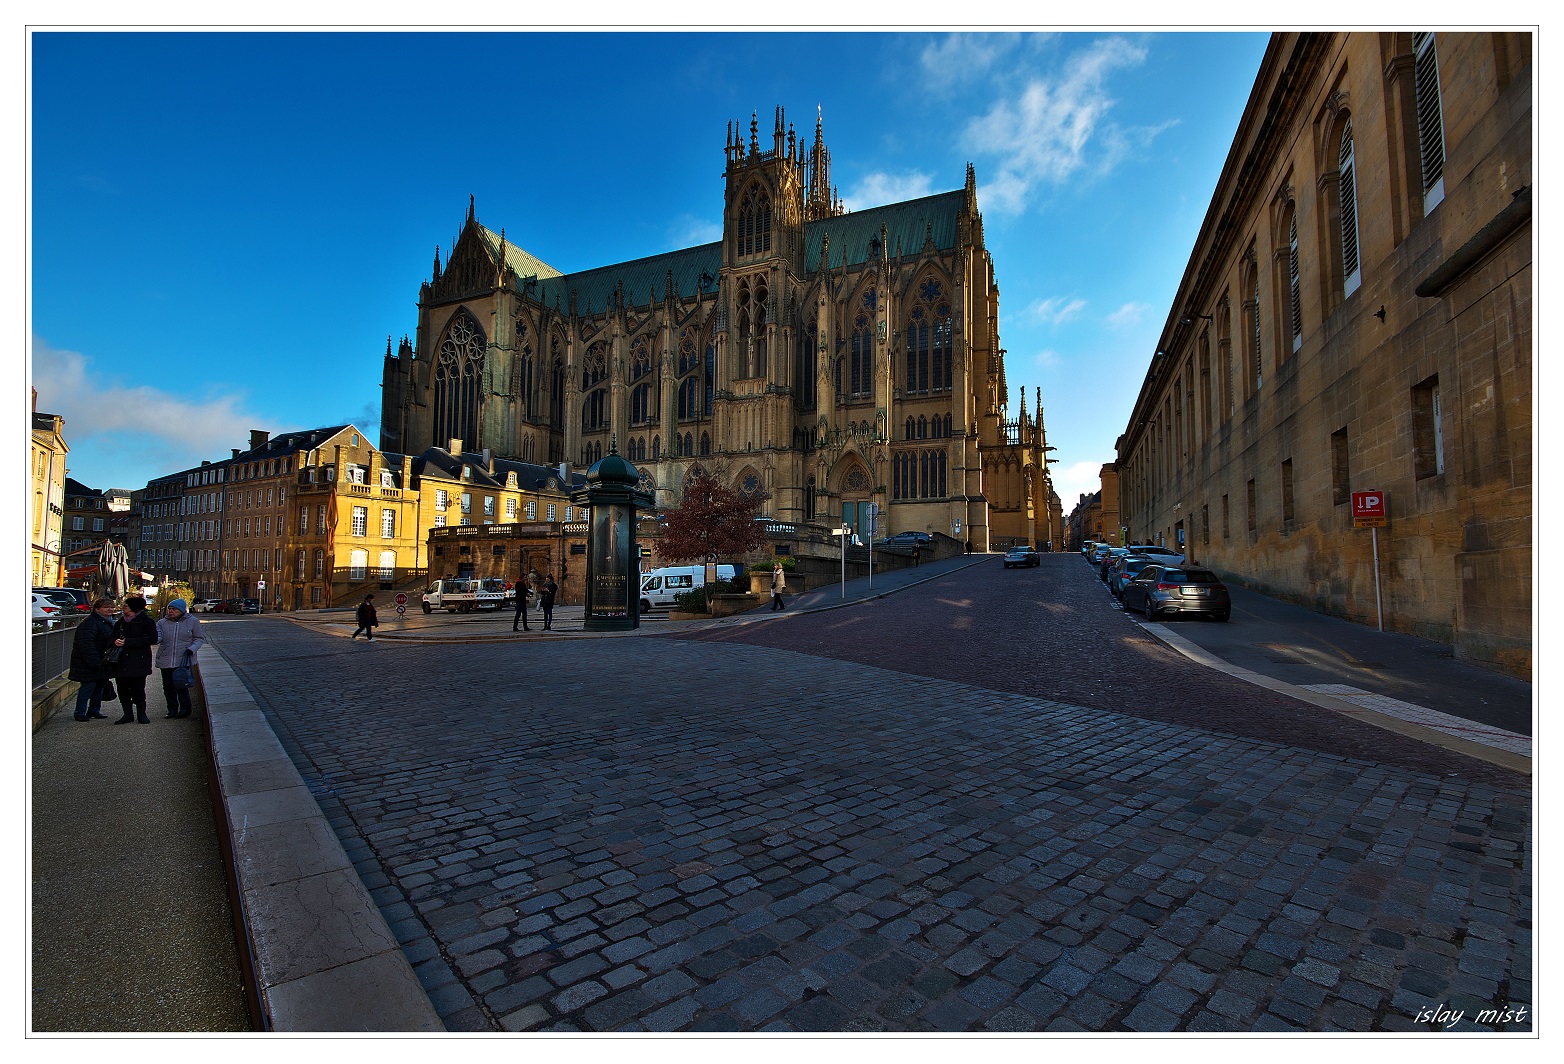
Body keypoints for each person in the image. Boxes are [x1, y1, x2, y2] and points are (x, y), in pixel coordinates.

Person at [110, 595, 158, 725]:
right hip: (120, 661)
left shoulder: (146, 622)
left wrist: (128, 642)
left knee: (138, 688)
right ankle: (127, 714)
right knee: (123, 689)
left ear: (134, 608)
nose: (123, 608)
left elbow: (152, 638)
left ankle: (141, 714)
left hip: (139, 661)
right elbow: (111, 637)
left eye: (126, 606)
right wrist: (115, 640)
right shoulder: (120, 622)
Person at [68, 597, 118, 721]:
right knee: (88, 687)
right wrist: (94, 661)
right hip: (90, 662)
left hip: (101, 661)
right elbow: (86, 644)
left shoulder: (105, 622)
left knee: (99, 687)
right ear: (97, 609)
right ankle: (80, 712)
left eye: (112, 607)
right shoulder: (90, 623)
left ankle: (94, 710)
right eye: (106, 607)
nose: (110, 609)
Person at [155, 598, 206, 718]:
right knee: (168, 687)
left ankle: (185, 709)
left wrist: (191, 649)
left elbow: (199, 638)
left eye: (174, 609)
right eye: (170, 609)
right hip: (166, 659)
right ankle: (172, 709)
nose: (171, 611)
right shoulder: (162, 623)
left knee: (181, 685)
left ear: (182, 610)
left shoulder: (193, 621)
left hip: (183, 660)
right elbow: (158, 637)